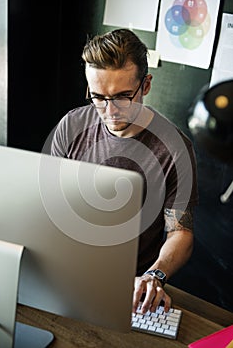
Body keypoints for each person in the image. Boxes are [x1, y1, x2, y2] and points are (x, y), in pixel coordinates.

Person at [50, 28, 198, 315]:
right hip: (68, 273)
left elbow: (181, 233)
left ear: (146, 85)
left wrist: (154, 277)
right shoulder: (70, 126)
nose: (110, 110)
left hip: (130, 288)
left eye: (122, 96)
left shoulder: (175, 148)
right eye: (98, 97)